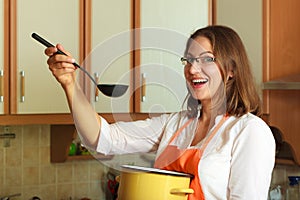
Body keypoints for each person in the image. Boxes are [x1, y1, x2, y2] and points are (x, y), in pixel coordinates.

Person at [45, 25, 275, 199]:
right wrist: (69, 83)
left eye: (207, 60)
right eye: (189, 60)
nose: (193, 69)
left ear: (231, 69)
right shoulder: (176, 125)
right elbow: (102, 139)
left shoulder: (249, 131)